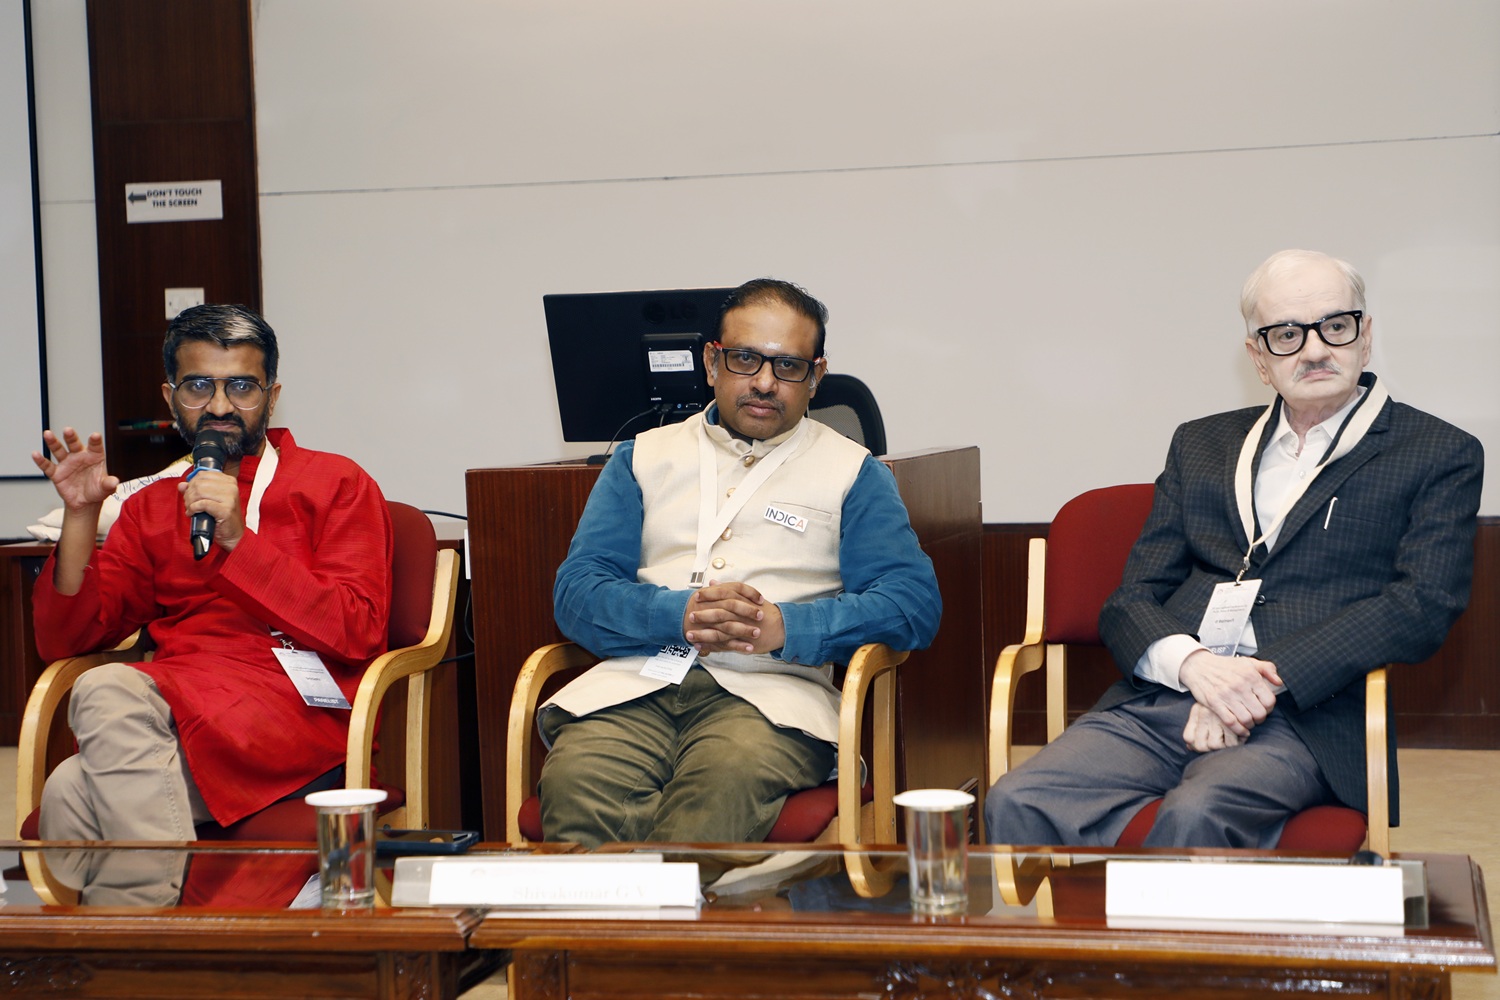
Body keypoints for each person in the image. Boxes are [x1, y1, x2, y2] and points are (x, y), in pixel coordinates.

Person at [985, 249, 1484, 849]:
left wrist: (1256, 683)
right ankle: (1069, 944)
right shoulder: (1203, 443)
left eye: (1336, 325)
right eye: (1286, 334)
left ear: (1366, 335)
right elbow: (1132, 598)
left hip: (1307, 713)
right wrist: (1197, 670)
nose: (1316, 349)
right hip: (1172, 692)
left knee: (1199, 813)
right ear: (1258, 357)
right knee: (1017, 798)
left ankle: (1182, 939)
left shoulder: (1436, 451)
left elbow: (1422, 604)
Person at [538, 278, 942, 847]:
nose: (764, 383)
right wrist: (675, 617)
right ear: (711, 362)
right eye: (746, 358)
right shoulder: (641, 458)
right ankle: (604, 934)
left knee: (720, 784)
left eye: (789, 367)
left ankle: (673, 929)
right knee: (579, 778)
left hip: (771, 697)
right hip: (639, 682)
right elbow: (578, 591)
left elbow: (911, 605)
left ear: (816, 377)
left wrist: (786, 627)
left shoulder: (854, 472)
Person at [31, 304, 392, 905]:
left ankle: (143, 939)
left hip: (296, 710)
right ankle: (143, 955)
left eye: (241, 386)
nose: (221, 406)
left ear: (271, 396)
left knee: (97, 713)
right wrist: (79, 517)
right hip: (172, 710)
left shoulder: (336, 483)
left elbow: (358, 628)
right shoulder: (152, 506)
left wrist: (236, 541)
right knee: (70, 789)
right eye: (200, 386)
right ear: (170, 396)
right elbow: (65, 640)